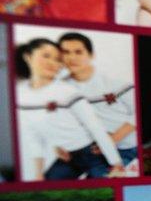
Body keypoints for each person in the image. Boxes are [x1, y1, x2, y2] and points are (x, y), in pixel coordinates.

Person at [15, 38, 125, 181]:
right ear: (28, 57)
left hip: (93, 153)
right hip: (66, 157)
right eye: (46, 56)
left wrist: (116, 163)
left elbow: (95, 127)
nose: (52, 63)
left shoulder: (67, 92)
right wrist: (38, 173)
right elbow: (33, 135)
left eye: (57, 59)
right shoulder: (21, 94)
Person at [59, 32, 138, 168]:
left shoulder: (114, 81)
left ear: (91, 55)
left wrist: (113, 139)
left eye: (78, 52)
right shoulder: (61, 87)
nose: (72, 58)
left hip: (126, 147)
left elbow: (139, 114)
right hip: (88, 150)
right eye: (66, 52)